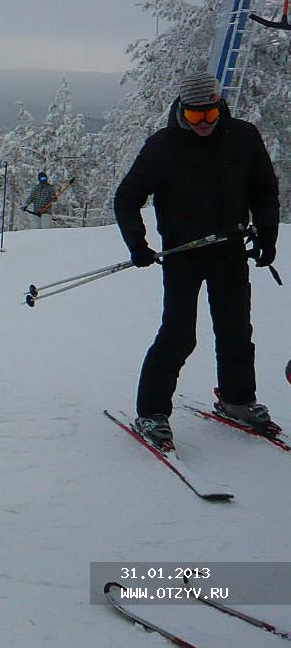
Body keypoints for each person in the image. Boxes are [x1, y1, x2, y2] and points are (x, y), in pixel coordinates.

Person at [113, 70, 280, 448]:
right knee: (178, 335)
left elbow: (265, 190)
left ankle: (237, 399)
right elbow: (126, 198)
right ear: (181, 112)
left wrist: (268, 237)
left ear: (221, 107)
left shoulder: (244, 138)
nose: (203, 123)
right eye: (194, 116)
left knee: (236, 330)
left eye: (209, 114)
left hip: (230, 251)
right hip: (182, 256)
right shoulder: (162, 148)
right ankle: (152, 412)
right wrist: (138, 246)